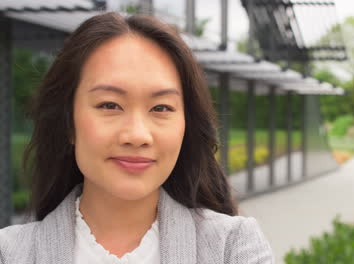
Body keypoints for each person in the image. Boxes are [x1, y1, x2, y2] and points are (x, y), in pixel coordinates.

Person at [0, 12, 274, 264]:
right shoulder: (10, 253)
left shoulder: (233, 247)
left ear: (186, 126)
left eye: (161, 108)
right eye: (109, 105)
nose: (137, 135)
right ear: (68, 123)